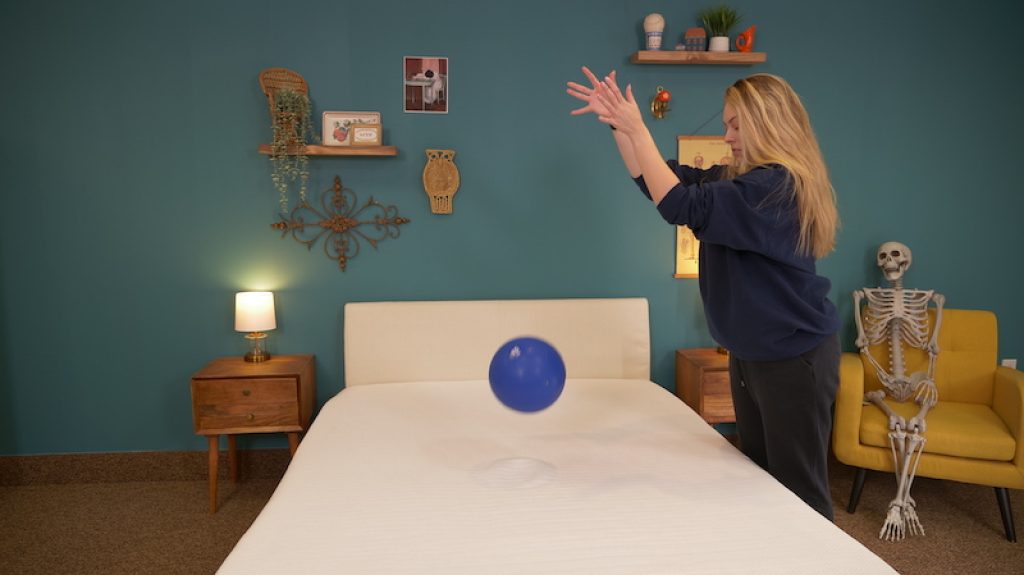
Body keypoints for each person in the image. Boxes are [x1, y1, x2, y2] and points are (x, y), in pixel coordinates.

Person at [567, 67, 841, 520]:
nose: (727, 134)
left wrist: (638, 126)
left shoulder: (775, 187)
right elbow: (656, 183)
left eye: (735, 124)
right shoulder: (740, 181)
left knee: (801, 496)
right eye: (727, 122)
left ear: (766, 123)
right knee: (760, 480)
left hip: (795, 358)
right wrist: (620, 126)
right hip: (754, 354)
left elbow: (678, 205)